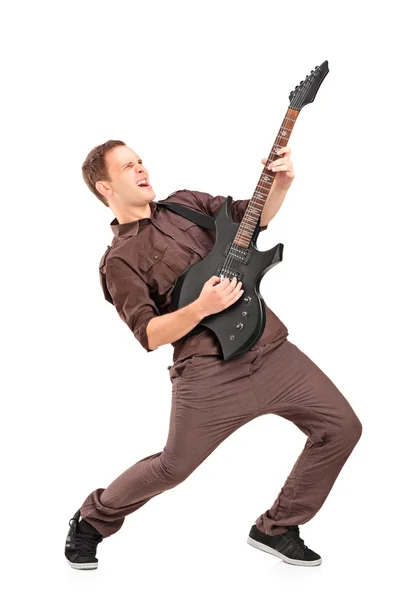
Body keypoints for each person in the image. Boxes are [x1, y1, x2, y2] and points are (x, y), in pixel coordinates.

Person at [65, 140, 362, 570]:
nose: (142, 169)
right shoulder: (118, 261)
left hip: (271, 350)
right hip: (208, 372)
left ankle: (276, 528)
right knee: (173, 468)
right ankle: (92, 520)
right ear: (105, 187)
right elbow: (149, 334)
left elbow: (254, 217)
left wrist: (281, 183)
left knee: (342, 428)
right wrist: (200, 307)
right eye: (128, 167)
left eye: (142, 160)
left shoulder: (186, 204)